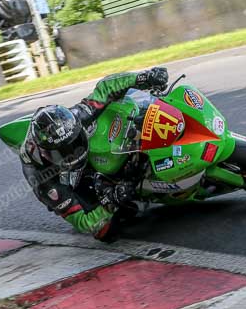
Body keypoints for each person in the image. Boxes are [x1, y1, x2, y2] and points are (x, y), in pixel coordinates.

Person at [19, 67, 169, 242]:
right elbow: (83, 223)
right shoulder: (45, 182)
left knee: (114, 111)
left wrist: (144, 77)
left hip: (61, 135)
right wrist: (110, 201)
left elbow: (106, 88)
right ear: (46, 154)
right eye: (62, 153)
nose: (72, 153)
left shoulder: (75, 118)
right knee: (104, 232)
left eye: (75, 143)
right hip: (57, 176)